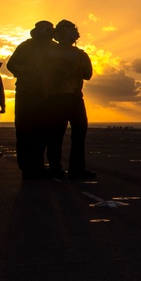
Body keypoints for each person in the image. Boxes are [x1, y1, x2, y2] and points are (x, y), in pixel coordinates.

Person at [43, 20, 96, 180]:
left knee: (56, 136)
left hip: (56, 98)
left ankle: (55, 168)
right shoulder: (80, 55)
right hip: (71, 98)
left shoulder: (48, 53)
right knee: (77, 134)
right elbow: (87, 74)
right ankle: (76, 169)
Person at [6, 21, 55, 179]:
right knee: (25, 131)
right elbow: (11, 64)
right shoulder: (26, 46)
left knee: (43, 132)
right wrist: (28, 72)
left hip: (46, 95)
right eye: (46, 30)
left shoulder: (54, 48)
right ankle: (26, 166)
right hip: (26, 93)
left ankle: (38, 165)